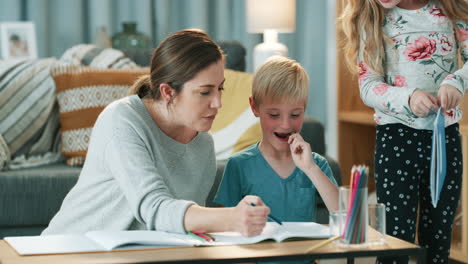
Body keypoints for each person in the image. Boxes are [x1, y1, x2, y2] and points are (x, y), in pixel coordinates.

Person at [43, 29, 270, 237]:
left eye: (220, 88)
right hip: (68, 251)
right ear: (168, 92)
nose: (218, 103)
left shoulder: (203, 144)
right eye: (205, 92)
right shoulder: (121, 119)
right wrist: (231, 218)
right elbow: (154, 208)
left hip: (134, 256)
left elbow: (179, 226)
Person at [340, 0, 468, 263]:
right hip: (396, 140)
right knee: (394, 243)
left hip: (445, 138)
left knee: (438, 240)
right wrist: (408, 98)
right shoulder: (373, 19)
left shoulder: (450, 10)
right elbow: (368, 86)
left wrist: (456, 81)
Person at [214, 57, 339, 252]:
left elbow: (343, 215)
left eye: (295, 115)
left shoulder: (316, 164)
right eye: (274, 115)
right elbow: (224, 227)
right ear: (254, 107)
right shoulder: (238, 165)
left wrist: (310, 169)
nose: (285, 125)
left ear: (304, 109)